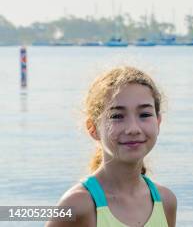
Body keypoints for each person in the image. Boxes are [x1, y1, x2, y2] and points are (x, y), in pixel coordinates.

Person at [46, 66, 177, 226]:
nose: (133, 129)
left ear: (158, 121)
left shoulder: (165, 201)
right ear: (93, 128)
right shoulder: (79, 205)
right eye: (116, 116)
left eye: (144, 114)